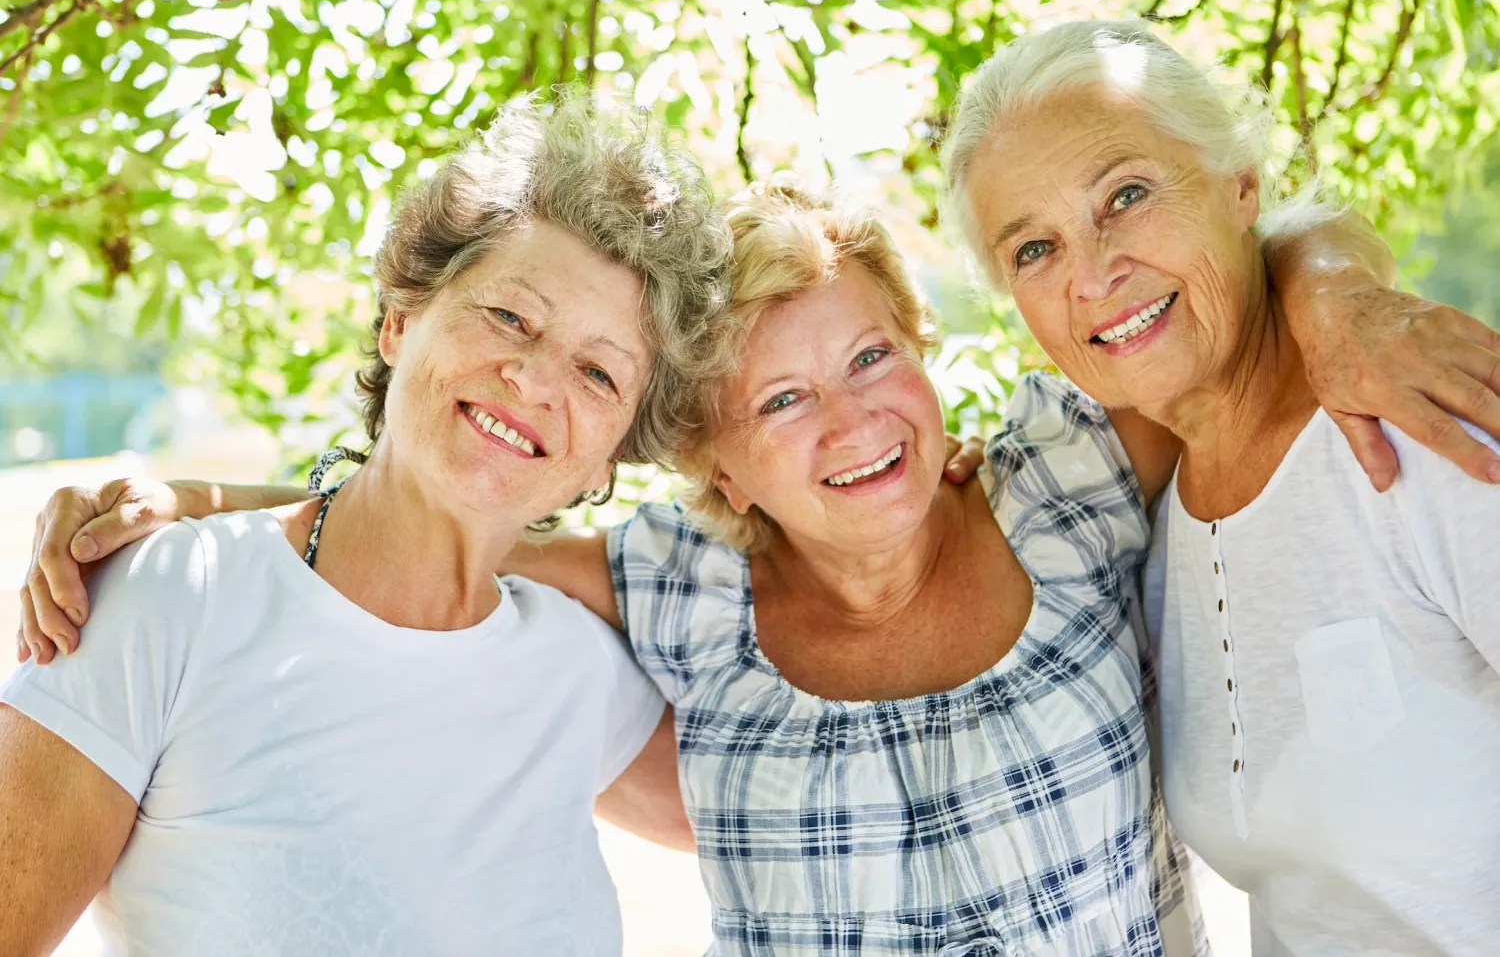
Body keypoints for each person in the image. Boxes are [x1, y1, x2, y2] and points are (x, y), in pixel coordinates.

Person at [22, 172, 1498, 955]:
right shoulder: (673, 587)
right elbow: (450, 499)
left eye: (872, 358)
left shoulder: (1071, 474)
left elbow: (1233, 278)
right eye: (782, 401)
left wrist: (1340, 288)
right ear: (714, 464)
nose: (853, 421)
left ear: (928, 358)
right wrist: (193, 493)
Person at [0, 93, 735, 956]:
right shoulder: (169, 594)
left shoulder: (584, 672)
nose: (536, 381)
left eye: (599, 375)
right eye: (509, 317)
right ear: (399, 319)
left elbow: (821, 809)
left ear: (610, 457)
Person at [942, 19, 1500, 954]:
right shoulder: (1144, 521)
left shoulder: (1419, 427)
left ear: (1239, 184)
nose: (1094, 273)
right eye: (1032, 250)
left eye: (1125, 194)